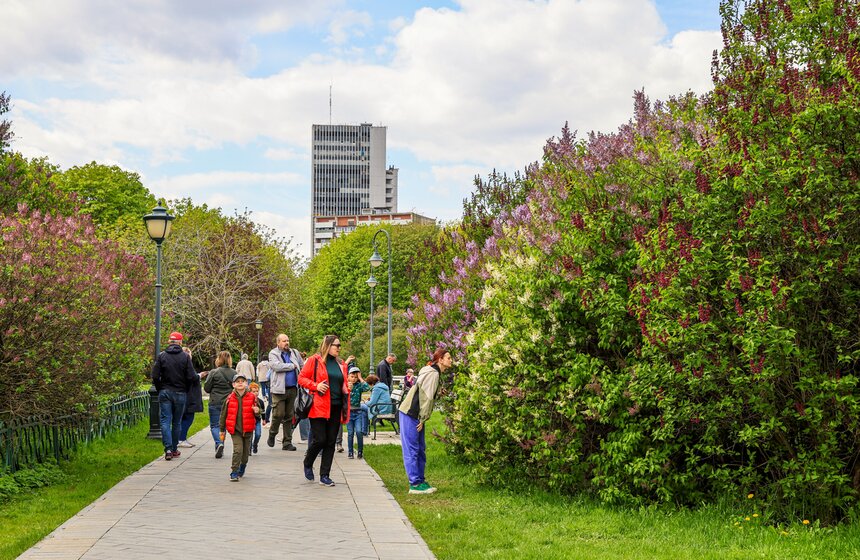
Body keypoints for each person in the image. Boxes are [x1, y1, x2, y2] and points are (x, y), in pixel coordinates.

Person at [399, 347, 452, 494]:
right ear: (440, 360)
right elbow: (426, 398)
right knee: (412, 449)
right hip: (411, 413)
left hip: (415, 414)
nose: (451, 360)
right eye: (448, 358)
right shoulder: (433, 373)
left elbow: (426, 393)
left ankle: (420, 481)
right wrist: (422, 419)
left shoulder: (433, 372)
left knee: (420, 449)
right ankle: (414, 484)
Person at [298, 334, 349, 487]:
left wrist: (347, 388)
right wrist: (316, 386)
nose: (339, 348)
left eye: (340, 346)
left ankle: (324, 475)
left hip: (336, 406)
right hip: (318, 406)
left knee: (331, 441)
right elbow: (301, 378)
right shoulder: (315, 360)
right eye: (336, 345)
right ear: (327, 345)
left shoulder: (341, 364)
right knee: (320, 439)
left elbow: (342, 384)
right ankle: (308, 462)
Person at [151, 332, 199, 461]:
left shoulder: (162, 356)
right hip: (180, 392)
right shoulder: (185, 357)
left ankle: (167, 449)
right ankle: (174, 448)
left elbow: (155, 376)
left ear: (169, 341)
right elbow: (191, 376)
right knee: (176, 422)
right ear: (180, 342)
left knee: (165, 421)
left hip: (165, 391)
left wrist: (160, 387)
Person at [219, 372, 261, 481]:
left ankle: (242, 466)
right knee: (238, 450)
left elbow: (258, 411)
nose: (240, 383)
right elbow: (223, 414)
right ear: (233, 385)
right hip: (235, 430)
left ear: (246, 384)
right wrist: (222, 429)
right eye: (238, 382)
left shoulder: (252, 397)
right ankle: (234, 471)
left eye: (242, 381)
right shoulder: (229, 398)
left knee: (245, 453)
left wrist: (257, 411)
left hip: (248, 429)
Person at [267, 334, 304, 451]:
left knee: (289, 416)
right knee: (278, 414)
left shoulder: (294, 352)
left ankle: (287, 442)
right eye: (284, 341)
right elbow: (277, 367)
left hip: (292, 388)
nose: (286, 343)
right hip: (278, 390)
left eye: (288, 340)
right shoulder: (273, 353)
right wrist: (292, 366)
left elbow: (301, 366)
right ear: (278, 343)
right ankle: (272, 433)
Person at [204, 350, 238, 459]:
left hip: (215, 402)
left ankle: (219, 443)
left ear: (218, 359)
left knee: (215, 425)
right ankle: (219, 446)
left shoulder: (214, 372)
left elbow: (207, 388)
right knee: (223, 426)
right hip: (228, 402)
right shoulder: (234, 373)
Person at [178, 346, 207, 448]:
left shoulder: (179, 365)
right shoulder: (187, 365)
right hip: (189, 395)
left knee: (181, 418)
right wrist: (199, 376)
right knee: (188, 417)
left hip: (182, 394)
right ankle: (181, 439)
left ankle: (179, 438)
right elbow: (191, 377)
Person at [345, 365, 370, 459]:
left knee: (359, 432)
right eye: (352, 376)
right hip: (349, 413)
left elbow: (367, 388)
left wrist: (360, 378)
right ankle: (350, 452)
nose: (354, 379)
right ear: (348, 376)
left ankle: (360, 451)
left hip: (358, 412)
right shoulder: (345, 385)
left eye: (356, 377)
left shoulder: (359, 386)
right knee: (350, 433)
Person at [249, 382, 265, 453]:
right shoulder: (248, 401)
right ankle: (249, 449)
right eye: (253, 391)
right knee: (249, 436)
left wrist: (264, 419)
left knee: (258, 434)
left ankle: (255, 444)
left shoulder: (260, 402)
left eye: (257, 391)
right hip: (249, 420)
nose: (256, 393)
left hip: (257, 421)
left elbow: (263, 411)